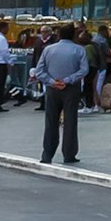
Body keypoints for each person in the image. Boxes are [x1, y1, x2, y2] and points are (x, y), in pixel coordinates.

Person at [35, 22, 91, 166]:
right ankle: (69, 153)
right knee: (70, 121)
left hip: (52, 89)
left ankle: (47, 154)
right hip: (71, 88)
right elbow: (84, 70)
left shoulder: (48, 50)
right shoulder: (79, 50)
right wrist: (67, 80)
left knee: (51, 122)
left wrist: (52, 81)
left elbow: (39, 71)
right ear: (73, 35)